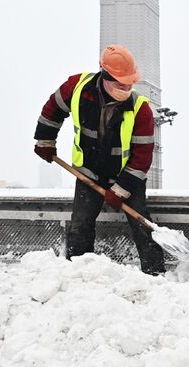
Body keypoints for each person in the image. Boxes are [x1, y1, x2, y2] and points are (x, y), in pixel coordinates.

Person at [33, 44, 165, 275]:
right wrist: (45, 141)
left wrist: (122, 189)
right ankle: (78, 273)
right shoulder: (76, 88)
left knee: (142, 224)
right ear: (105, 76)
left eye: (130, 84)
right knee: (80, 225)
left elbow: (142, 156)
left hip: (127, 177)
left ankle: (155, 273)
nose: (127, 88)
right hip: (88, 173)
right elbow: (52, 110)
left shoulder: (140, 109)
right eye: (121, 83)